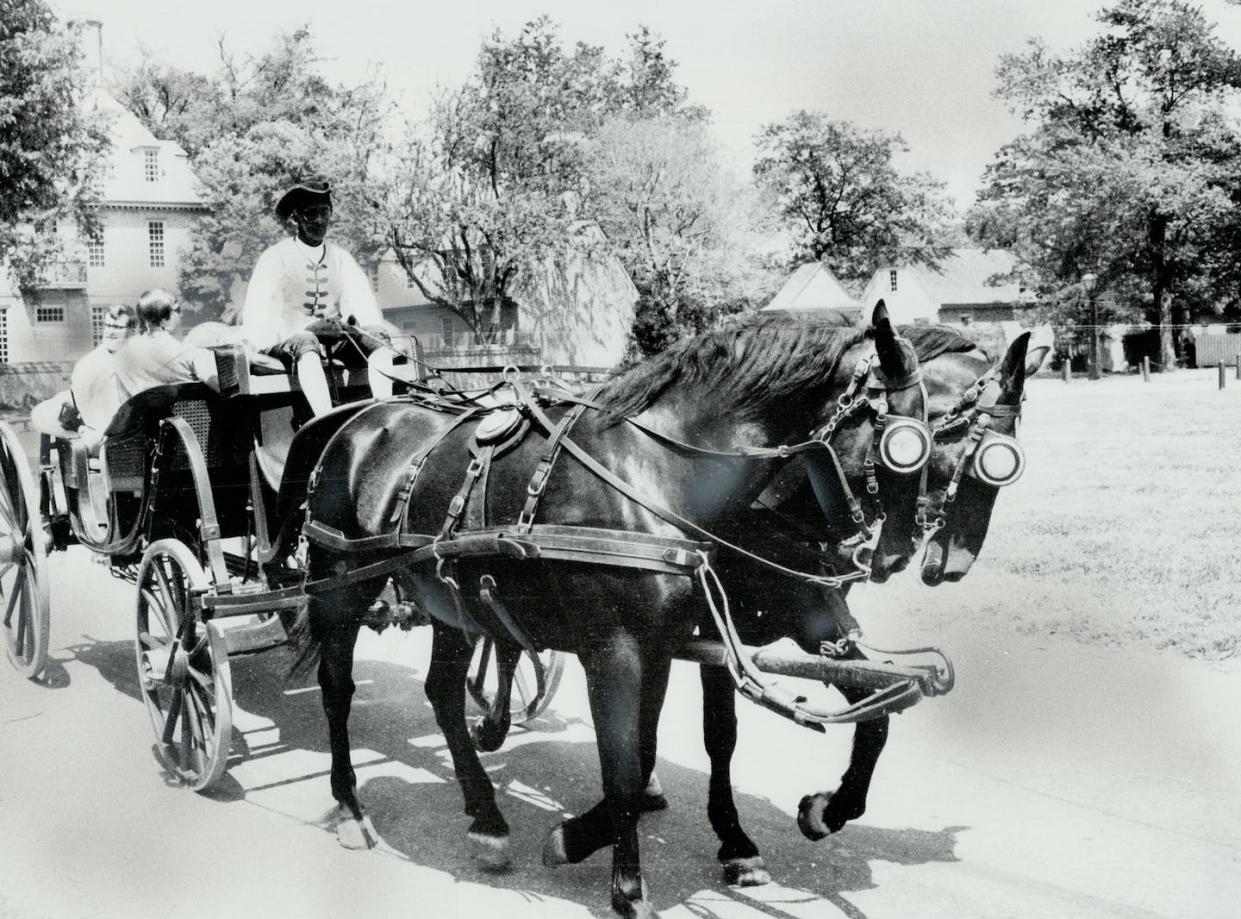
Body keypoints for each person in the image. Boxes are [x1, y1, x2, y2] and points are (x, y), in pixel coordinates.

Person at [239, 175, 397, 416]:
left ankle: (383, 412)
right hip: (291, 339)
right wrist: (308, 329)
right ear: (296, 218)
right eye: (311, 214)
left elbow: (360, 302)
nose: (319, 220)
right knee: (306, 342)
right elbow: (261, 313)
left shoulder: (340, 258)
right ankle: (326, 421)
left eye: (325, 213)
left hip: (333, 337)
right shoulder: (276, 257)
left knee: (379, 339)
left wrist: (354, 325)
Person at [29, 304, 137, 447]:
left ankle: (81, 432)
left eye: (117, 327)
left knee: (45, 412)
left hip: (106, 437)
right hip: (107, 429)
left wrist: (81, 428)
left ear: (131, 331)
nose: (110, 331)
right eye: (108, 326)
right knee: (45, 410)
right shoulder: (88, 363)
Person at [113, 288, 219, 400]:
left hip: (140, 416)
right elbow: (219, 386)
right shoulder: (188, 352)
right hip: (188, 416)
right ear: (166, 318)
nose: (180, 315)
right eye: (177, 310)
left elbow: (122, 402)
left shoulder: (122, 354)